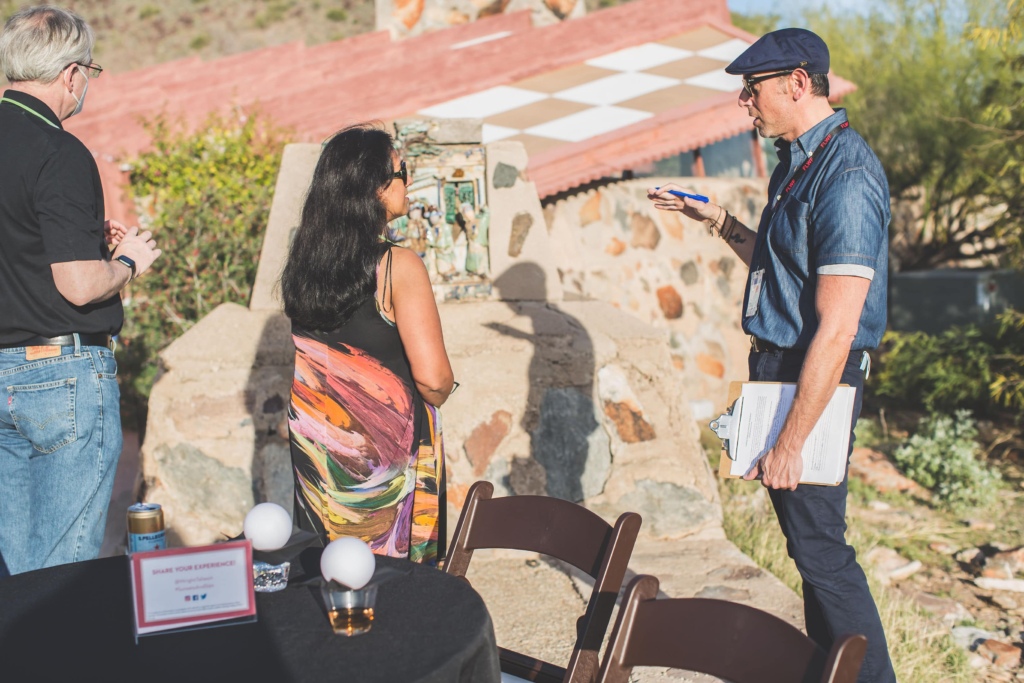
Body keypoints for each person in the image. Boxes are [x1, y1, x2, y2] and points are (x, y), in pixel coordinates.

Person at [648, 29, 895, 683]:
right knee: (808, 547)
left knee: (821, 548)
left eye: (751, 88)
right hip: (782, 368)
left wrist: (792, 439)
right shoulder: (797, 161)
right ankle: (836, 673)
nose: (742, 102)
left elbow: (837, 327)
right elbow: (784, 272)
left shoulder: (845, 174)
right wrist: (720, 221)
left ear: (797, 82)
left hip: (816, 372)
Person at [0, 6, 161, 576]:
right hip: (57, 378)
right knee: (61, 578)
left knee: (15, 578)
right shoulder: (58, 150)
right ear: (72, 74)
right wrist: (126, 261)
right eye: (91, 71)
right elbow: (78, 286)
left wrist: (84, 237)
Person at [281, 124, 454, 566]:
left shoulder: (304, 266)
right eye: (402, 171)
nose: (408, 182)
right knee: (396, 586)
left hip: (322, 455)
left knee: (330, 573)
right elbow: (433, 380)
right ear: (375, 188)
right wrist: (444, 392)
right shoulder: (398, 265)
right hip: (386, 465)